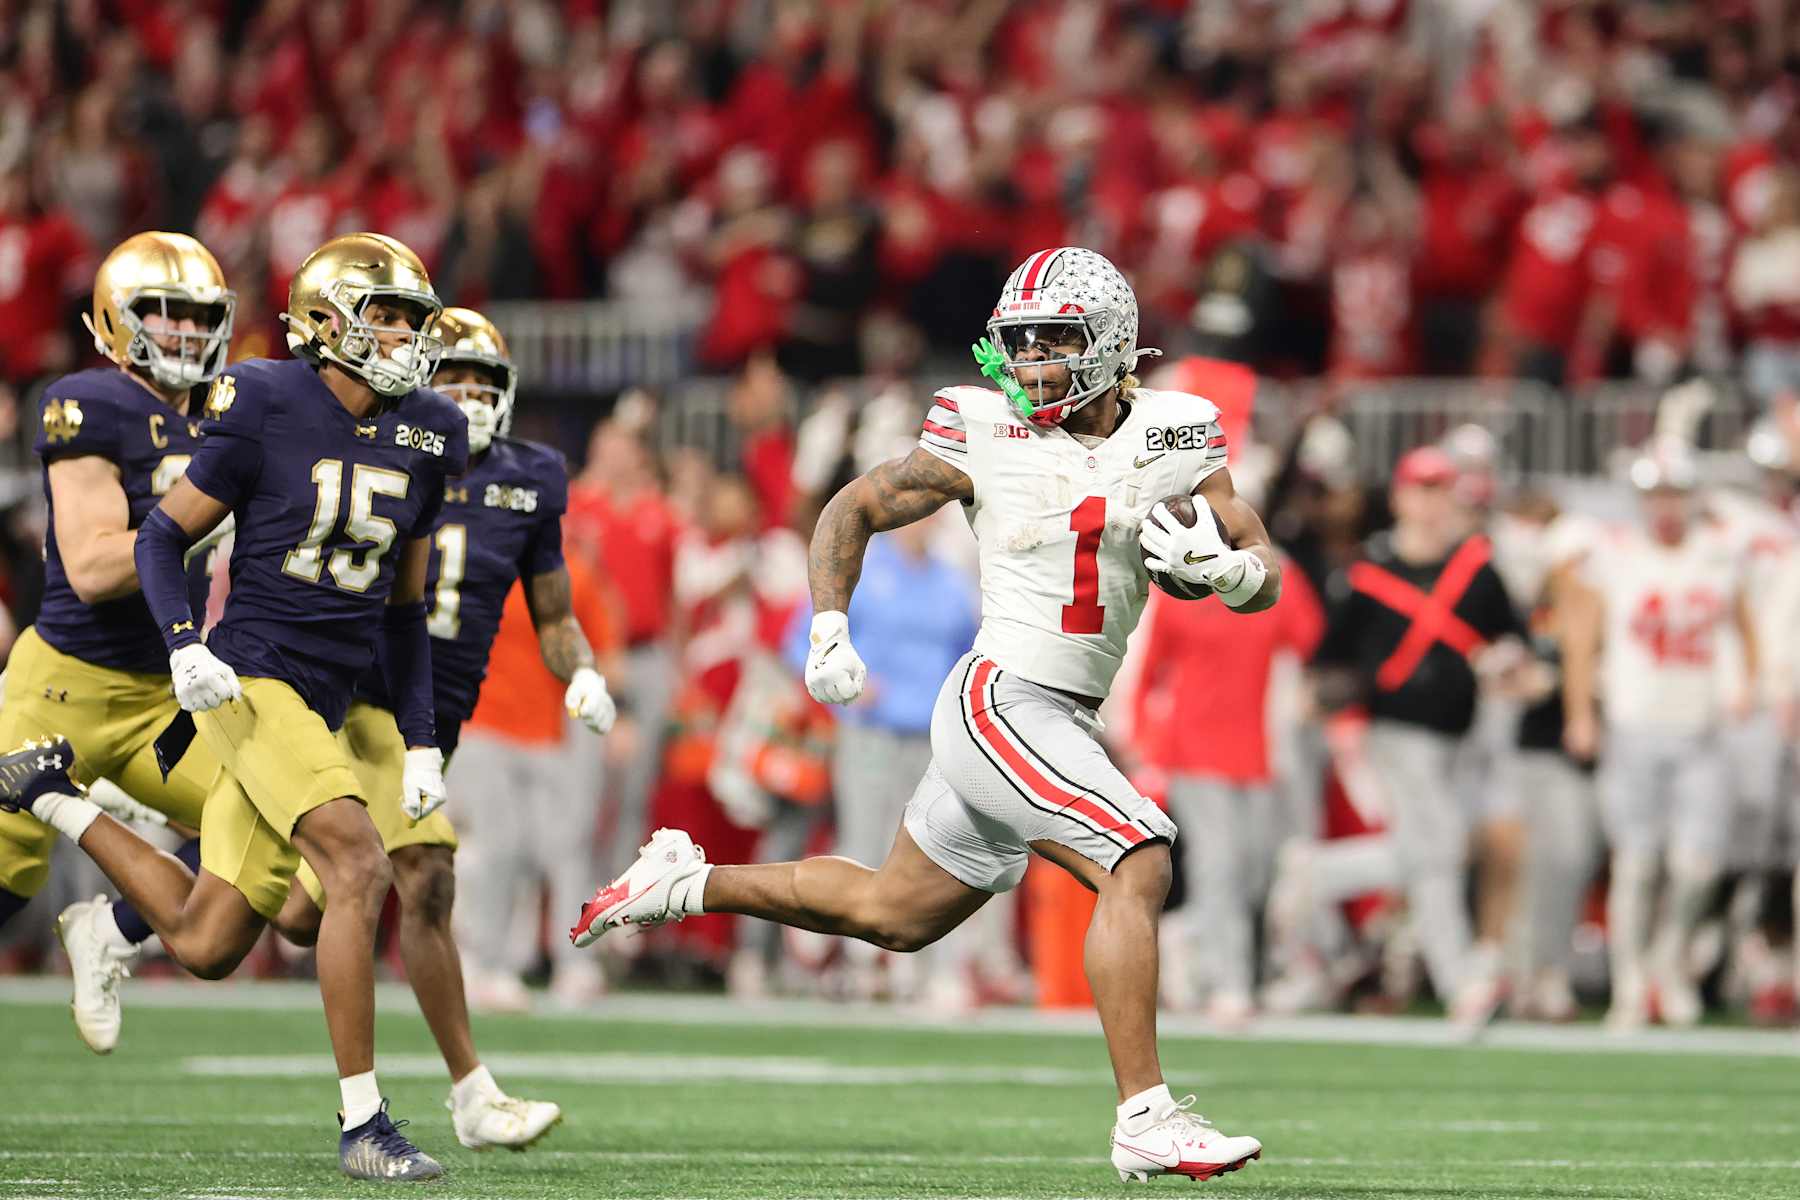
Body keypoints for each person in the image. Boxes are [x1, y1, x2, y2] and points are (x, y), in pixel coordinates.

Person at [574, 247, 1273, 1183]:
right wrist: (829, 626)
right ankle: (1145, 1117)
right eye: (1019, 347)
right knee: (1135, 857)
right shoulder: (983, 429)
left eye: (1054, 345)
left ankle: (681, 883)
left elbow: (1256, 560)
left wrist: (1232, 575)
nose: (1030, 367)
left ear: (1112, 347)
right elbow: (851, 510)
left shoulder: (1180, 432)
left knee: (892, 912)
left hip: (1061, 714)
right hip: (1002, 699)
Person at [7, 232, 467, 1180]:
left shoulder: (431, 430)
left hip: (319, 696)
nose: (403, 336)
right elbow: (153, 542)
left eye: (412, 320)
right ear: (326, 322)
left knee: (219, 939)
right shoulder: (262, 396)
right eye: (383, 315)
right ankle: (363, 1123)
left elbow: (408, 610)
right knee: (354, 860)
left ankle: (65, 806)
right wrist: (185, 645)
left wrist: (419, 741)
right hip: (243, 679)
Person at [261, 307, 614, 1149]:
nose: (467, 397)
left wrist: (587, 670)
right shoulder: (382, 448)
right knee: (424, 874)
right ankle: (471, 1095)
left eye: (482, 384)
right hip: (355, 704)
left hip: (433, 721)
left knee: (291, 916)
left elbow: (554, 608)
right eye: (450, 379)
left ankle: (128, 918)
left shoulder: (529, 479)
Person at [0, 232, 235, 1053]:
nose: (179, 333)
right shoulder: (90, 402)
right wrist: (214, 514)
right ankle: (95, 808)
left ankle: (113, 928)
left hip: (163, 702)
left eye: (196, 316)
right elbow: (95, 567)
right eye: (162, 314)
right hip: (58, 689)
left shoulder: (229, 410)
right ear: (116, 318)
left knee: (281, 829)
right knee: (1, 882)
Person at [1307, 445, 1528, 1028]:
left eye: (1440, 490)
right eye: (1421, 490)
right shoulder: (1367, 574)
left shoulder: (1477, 570)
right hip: (1397, 733)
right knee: (1439, 854)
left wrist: (1512, 667)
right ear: (1400, 497)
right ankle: (1462, 986)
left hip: (1465, 740)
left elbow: (1515, 645)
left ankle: (1312, 876)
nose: (1431, 504)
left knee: (1433, 852)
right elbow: (1330, 662)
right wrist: (1335, 707)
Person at [1562, 446, 1757, 1030]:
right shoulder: (1615, 554)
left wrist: (1745, 682)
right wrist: (1581, 712)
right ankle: (1630, 983)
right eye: (1655, 496)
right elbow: (1581, 636)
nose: (1666, 507)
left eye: (1674, 494)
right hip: (1634, 724)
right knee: (1638, 863)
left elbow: (1740, 624)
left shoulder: (1719, 555)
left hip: (1701, 727)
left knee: (1698, 866)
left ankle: (1667, 960)